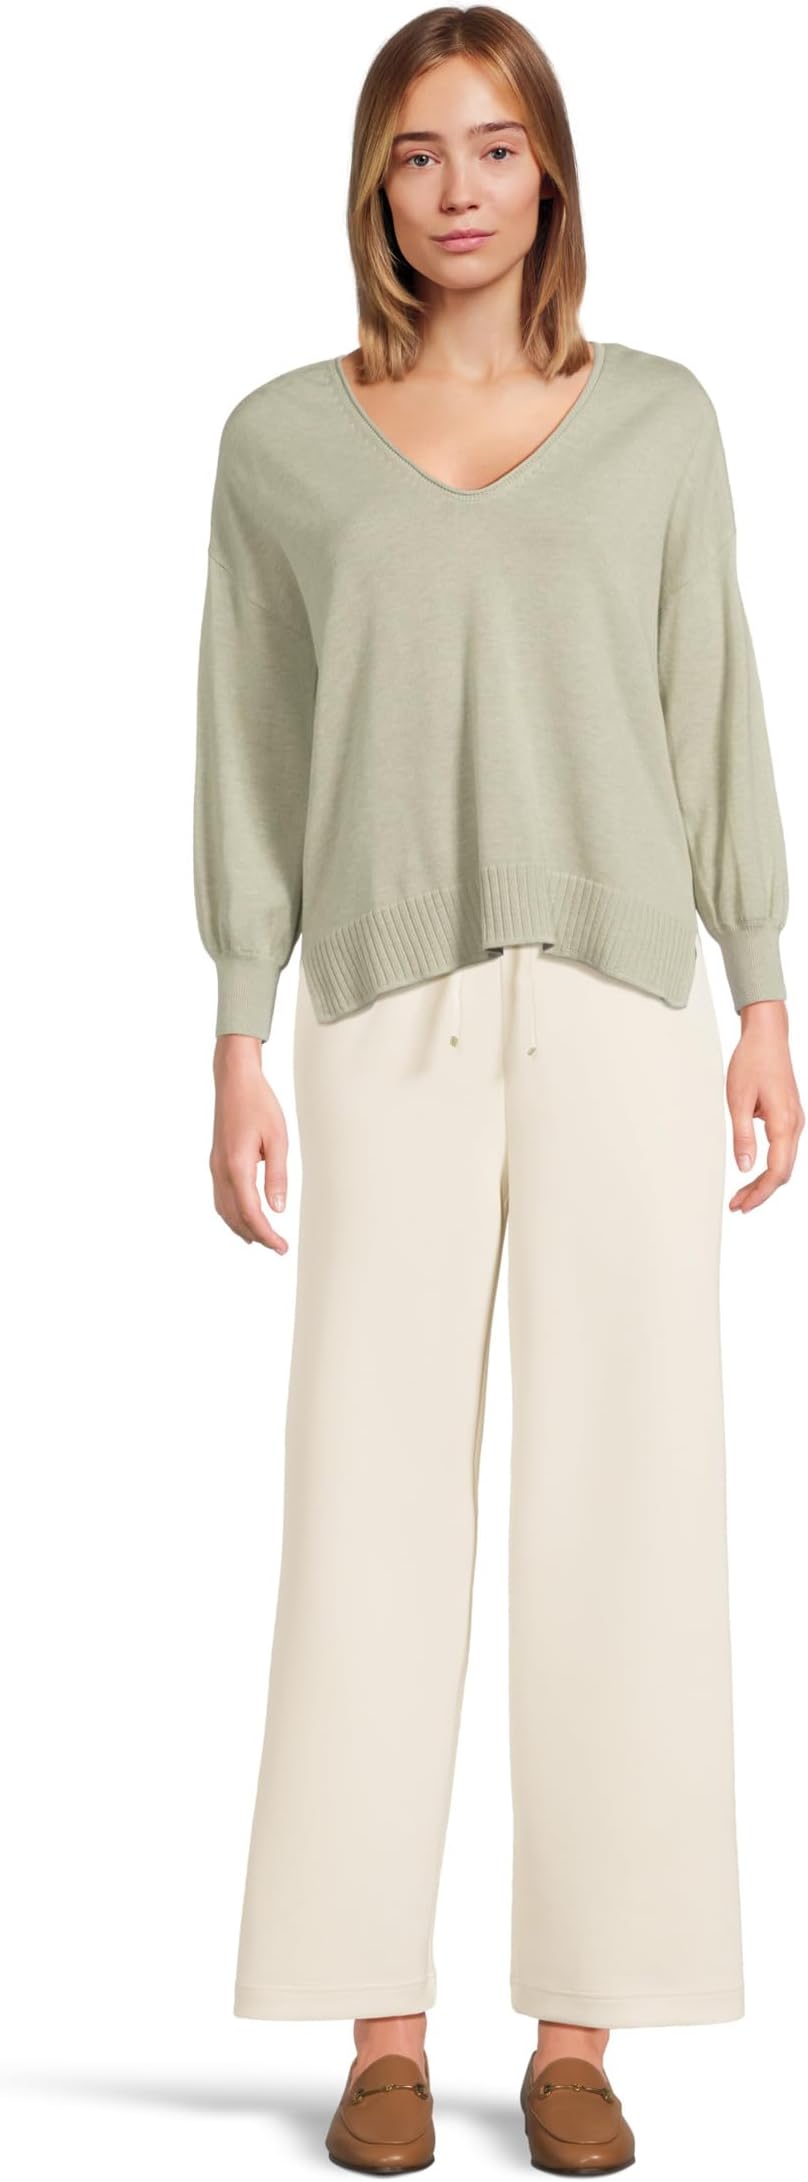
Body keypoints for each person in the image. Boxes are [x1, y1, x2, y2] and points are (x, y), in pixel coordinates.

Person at [192, 9, 804, 2174]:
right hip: (383, 1012)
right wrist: (239, 1026)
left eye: (495, 146)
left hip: (627, 1004)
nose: (456, 188)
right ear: (375, 183)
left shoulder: (659, 422)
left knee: (626, 1505)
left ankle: (577, 2036)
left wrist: (760, 990)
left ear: (550, 175)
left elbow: (713, 707)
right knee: (366, 1504)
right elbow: (250, 744)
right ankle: (378, 2026)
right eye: (417, 151)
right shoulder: (282, 444)